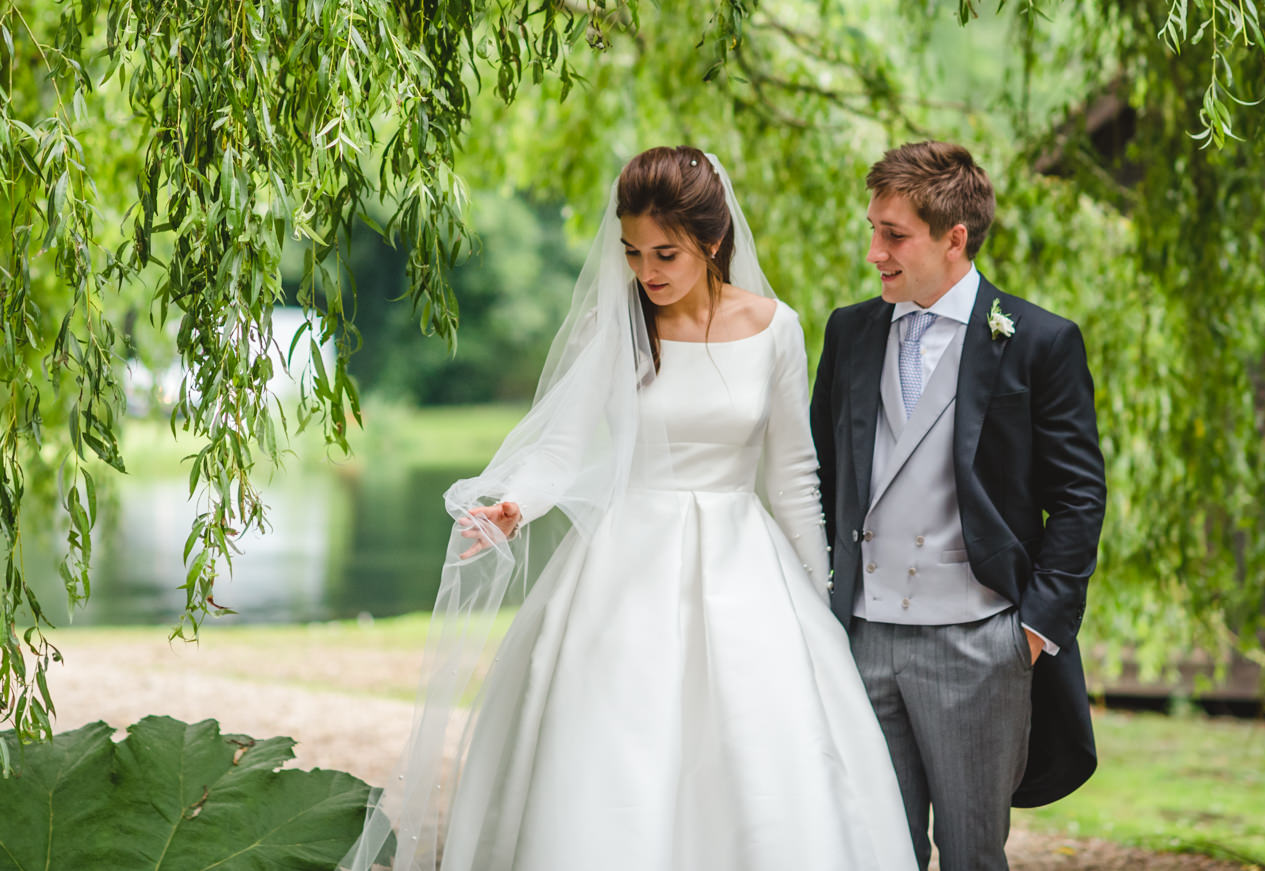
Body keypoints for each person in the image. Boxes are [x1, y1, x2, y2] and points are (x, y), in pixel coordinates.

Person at [345, 147, 915, 871]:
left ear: (712, 242)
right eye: (633, 251)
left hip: (746, 567)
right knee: (615, 752)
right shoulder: (616, 326)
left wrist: (818, 597)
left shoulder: (777, 329)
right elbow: (565, 440)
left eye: (665, 252)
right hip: (625, 564)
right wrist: (517, 502)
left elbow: (795, 474)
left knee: (764, 751)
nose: (647, 270)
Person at [812, 141, 1106, 871]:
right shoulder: (849, 332)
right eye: (874, 229)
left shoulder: (1039, 341)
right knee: (878, 851)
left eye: (894, 234)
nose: (874, 251)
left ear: (954, 238)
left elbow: (1079, 496)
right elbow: (818, 475)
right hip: (864, 637)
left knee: (974, 855)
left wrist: (1033, 629)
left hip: (981, 643)